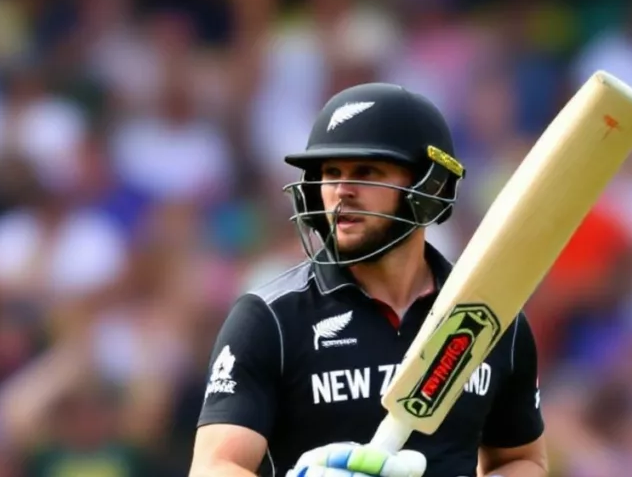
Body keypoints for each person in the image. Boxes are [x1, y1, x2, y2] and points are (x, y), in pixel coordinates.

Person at [190, 83, 548, 477]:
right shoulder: (269, 320)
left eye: (366, 172)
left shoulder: (492, 320)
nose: (343, 191)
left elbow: (520, 460)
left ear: (427, 188)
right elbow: (215, 466)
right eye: (331, 173)